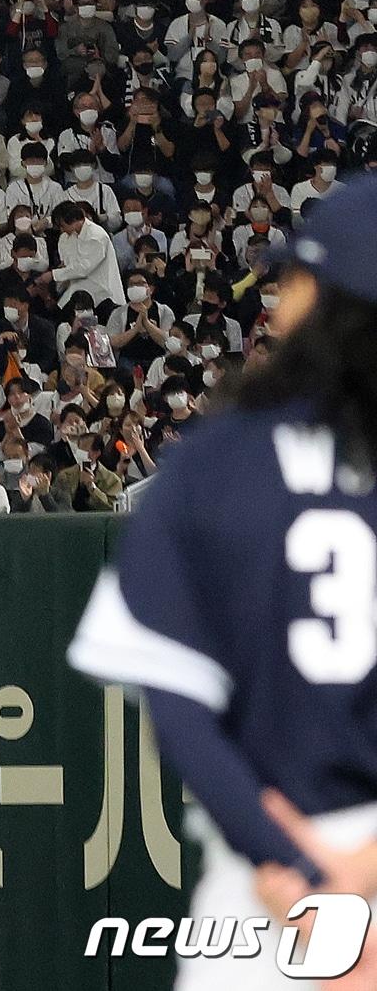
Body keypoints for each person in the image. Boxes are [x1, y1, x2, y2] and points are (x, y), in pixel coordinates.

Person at [69, 179, 377, 985]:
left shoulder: (216, 461)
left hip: (262, 895)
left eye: (295, 281)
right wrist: (362, 871)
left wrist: (297, 869)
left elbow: (178, 710)